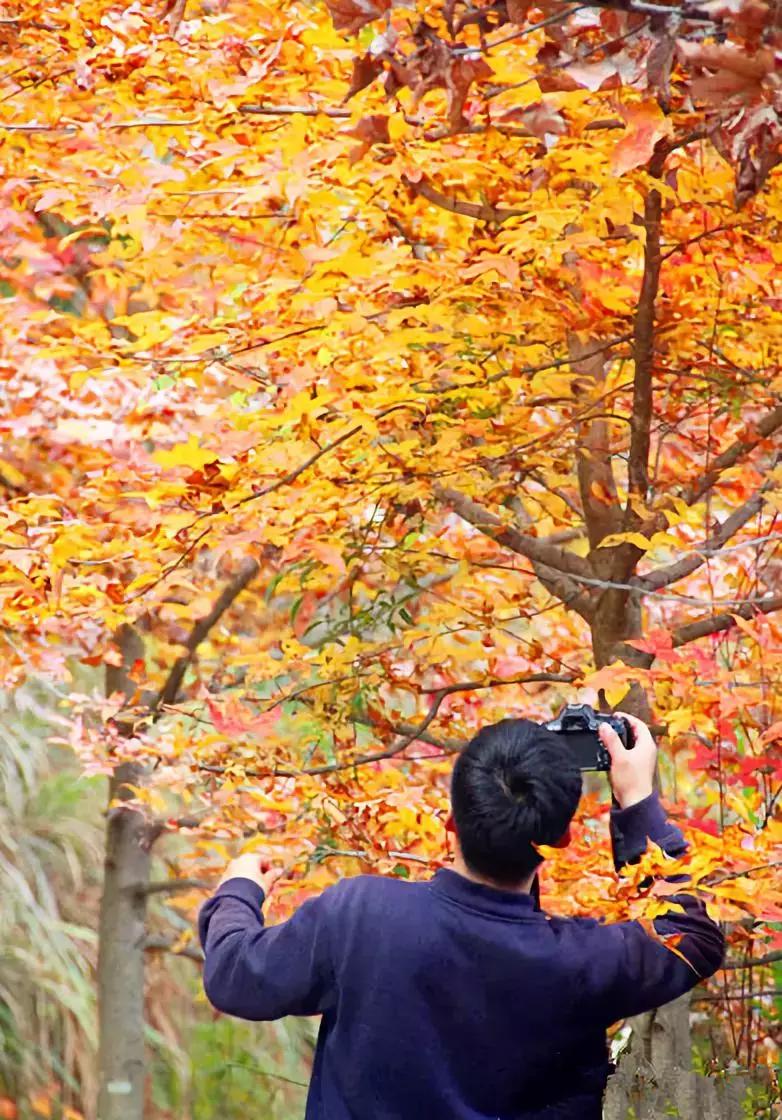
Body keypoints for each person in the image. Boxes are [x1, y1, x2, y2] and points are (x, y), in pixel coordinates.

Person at [198, 712, 724, 1119]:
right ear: (560, 839)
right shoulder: (579, 962)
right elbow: (692, 937)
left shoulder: (361, 916)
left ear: (450, 821)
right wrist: (637, 803)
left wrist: (238, 890)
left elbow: (234, 976)